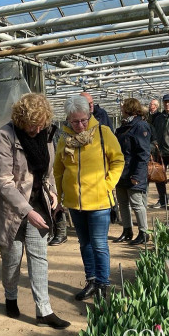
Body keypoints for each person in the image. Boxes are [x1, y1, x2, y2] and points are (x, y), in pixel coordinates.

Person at [0, 93, 70, 330]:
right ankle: (10, 296)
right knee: (12, 259)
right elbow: (3, 181)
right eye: (33, 123)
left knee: (38, 257)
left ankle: (44, 311)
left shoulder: (47, 135)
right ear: (21, 120)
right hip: (9, 209)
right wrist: (27, 211)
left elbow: (47, 172)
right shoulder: (5, 136)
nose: (37, 128)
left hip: (37, 204)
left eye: (41, 123)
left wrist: (52, 191)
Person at [53, 95, 124, 301]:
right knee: (84, 244)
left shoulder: (103, 133)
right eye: (75, 121)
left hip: (99, 200)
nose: (80, 125)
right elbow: (58, 170)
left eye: (84, 119)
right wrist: (58, 197)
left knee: (99, 244)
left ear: (89, 115)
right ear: (68, 119)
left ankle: (103, 284)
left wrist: (107, 184)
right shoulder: (64, 139)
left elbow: (118, 160)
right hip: (75, 202)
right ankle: (91, 280)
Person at [113, 98, 152, 245]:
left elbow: (143, 153)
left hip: (134, 171)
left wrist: (137, 175)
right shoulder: (124, 126)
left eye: (123, 107)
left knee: (136, 203)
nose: (121, 109)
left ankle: (144, 232)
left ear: (128, 109)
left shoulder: (140, 126)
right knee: (122, 202)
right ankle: (127, 230)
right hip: (121, 171)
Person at [47, 124, 68, 246]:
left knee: (56, 201)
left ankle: (61, 233)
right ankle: (55, 232)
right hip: (48, 171)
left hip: (56, 171)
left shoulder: (55, 132)